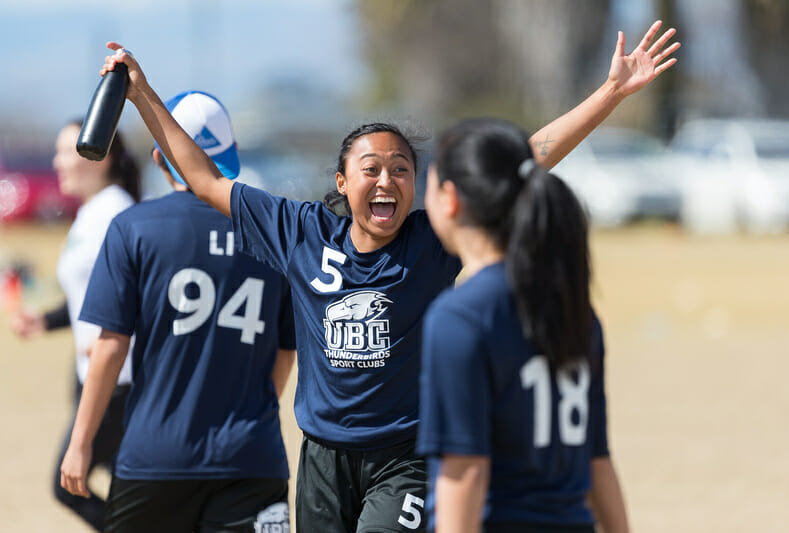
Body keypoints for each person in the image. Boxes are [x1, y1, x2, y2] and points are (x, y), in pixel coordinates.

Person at [98, 19, 677, 532]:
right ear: (342, 182)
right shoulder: (299, 232)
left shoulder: (429, 245)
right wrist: (141, 92)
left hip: (404, 460)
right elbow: (201, 177)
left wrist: (609, 94)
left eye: (401, 170)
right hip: (322, 458)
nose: (386, 181)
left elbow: (524, 161)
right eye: (370, 169)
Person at [59, 90, 297, 533]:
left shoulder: (134, 227)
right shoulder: (272, 231)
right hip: (251, 456)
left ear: (158, 155)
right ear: (234, 153)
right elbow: (286, 353)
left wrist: (81, 442)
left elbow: (110, 348)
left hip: (155, 458)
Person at [417, 118, 627, 533]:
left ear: (449, 199)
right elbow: (597, 462)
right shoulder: (574, 309)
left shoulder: (459, 318)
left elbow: (466, 473)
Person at [10, 120, 140, 531]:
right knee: (126, 488)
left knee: (69, 484)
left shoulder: (117, 213)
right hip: (93, 374)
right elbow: (91, 297)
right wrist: (44, 320)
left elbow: (141, 293)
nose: (56, 161)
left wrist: (121, 338)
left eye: (67, 151)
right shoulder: (91, 212)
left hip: (121, 378)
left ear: (100, 158)